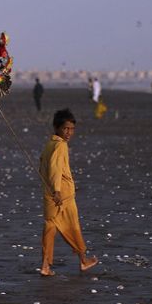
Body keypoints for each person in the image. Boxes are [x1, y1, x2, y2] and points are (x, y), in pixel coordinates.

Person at [38, 109, 98, 276]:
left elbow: (44, 165)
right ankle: (83, 260)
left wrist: (66, 184)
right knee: (73, 226)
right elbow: (55, 169)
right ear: (56, 128)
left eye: (72, 129)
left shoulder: (50, 144)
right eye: (65, 129)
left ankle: (45, 265)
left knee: (49, 228)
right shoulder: (61, 145)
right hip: (61, 197)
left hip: (51, 194)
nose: (69, 133)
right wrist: (58, 190)